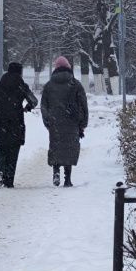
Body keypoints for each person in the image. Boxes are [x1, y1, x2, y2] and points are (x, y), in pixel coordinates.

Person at [0, 62, 37, 188]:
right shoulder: (21, 85)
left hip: (0, 121)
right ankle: (9, 179)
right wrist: (27, 108)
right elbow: (34, 101)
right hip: (16, 123)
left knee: (0, 148)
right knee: (13, 150)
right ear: (19, 72)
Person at [40, 56, 88, 187]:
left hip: (55, 122)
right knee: (69, 149)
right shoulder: (76, 84)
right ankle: (68, 179)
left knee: (56, 147)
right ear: (68, 68)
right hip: (72, 122)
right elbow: (83, 105)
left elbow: (43, 105)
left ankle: (56, 171)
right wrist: (83, 123)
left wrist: (47, 120)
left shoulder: (49, 86)